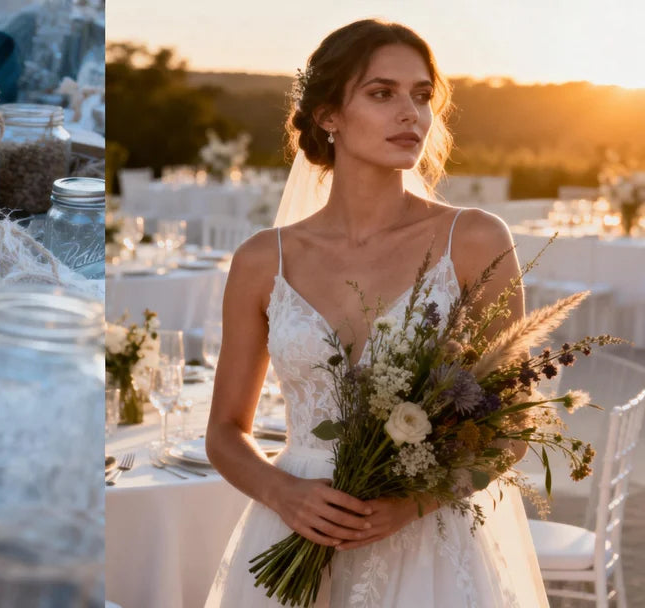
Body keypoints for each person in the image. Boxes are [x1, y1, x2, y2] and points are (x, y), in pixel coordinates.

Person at [203, 19, 547, 607]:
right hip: (296, 524)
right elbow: (224, 432)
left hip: (430, 546)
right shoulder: (264, 259)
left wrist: (410, 505)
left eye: (421, 95)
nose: (410, 113)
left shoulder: (475, 239)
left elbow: (511, 425)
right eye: (382, 93)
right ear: (328, 115)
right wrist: (283, 493)